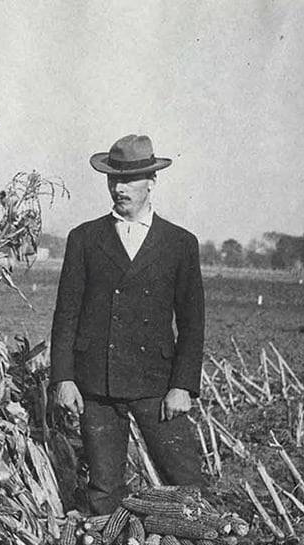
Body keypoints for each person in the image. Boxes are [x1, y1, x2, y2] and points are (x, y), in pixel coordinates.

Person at [49, 134, 205, 516]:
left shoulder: (180, 243)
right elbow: (66, 313)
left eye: (129, 180)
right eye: (113, 180)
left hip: (157, 383)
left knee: (185, 481)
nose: (119, 188)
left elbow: (192, 322)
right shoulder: (84, 239)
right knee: (103, 489)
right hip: (96, 385)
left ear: (152, 182)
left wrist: (183, 385)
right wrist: (63, 378)